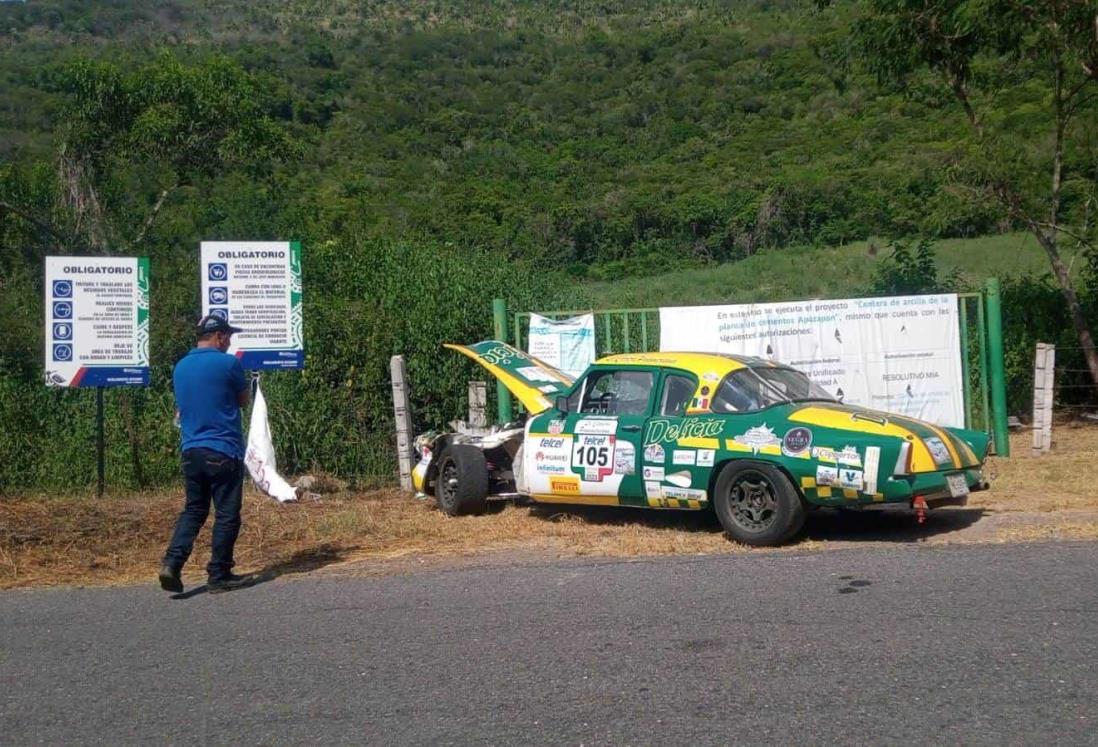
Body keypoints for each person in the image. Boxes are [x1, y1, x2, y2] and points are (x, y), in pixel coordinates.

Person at [159, 315, 253, 594]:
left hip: (191, 450)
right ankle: (219, 573)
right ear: (219, 336)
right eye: (229, 337)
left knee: (194, 510)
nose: (230, 343)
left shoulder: (180, 367)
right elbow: (243, 401)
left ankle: (172, 564)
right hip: (223, 449)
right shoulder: (229, 364)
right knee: (226, 514)